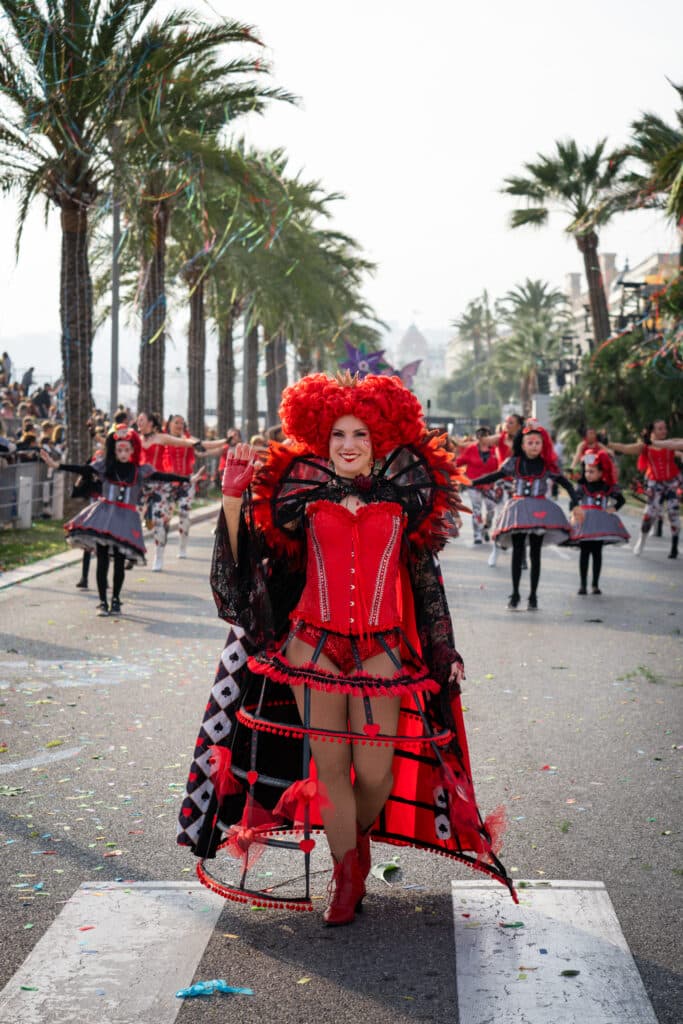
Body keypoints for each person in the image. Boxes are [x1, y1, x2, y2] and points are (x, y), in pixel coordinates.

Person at [177, 373, 516, 926]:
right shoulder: (300, 499)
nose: (349, 444)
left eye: (360, 433)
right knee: (332, 769)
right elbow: (246, 566)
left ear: (378, 440)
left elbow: (426, 584)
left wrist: (442, 648)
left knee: (376, 773)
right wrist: (233, 498)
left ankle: (352, 846)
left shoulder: (406, 501)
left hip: (381, 650)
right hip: (311, 648)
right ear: (323, 440)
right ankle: (347, 875)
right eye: (338, 434)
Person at [40, 427, 191, 615]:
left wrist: (185, 478)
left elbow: (161, 476)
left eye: (127, 450)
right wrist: (57, 465)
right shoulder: (106, 467)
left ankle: (116, 599)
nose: (123, 454)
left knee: (119, 561)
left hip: (126, 519)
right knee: (102, 559)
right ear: (114, 450)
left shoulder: (139, 471)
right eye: (119, 450)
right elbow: (84, 469)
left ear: (133, 450)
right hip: (105, 515)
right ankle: (103, 602)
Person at [475, 420, 576, 610]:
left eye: (537, 443)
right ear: (522, 444)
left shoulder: (547, 466)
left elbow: (566, 484)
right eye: (530, 442)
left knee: (535, 554)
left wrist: (575, 504)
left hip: (539, 510)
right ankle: (515, 594)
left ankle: (533, 596)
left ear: (543, 445)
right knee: (518, 551)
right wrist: (472, 482)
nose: (534, 446)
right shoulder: (514, 463)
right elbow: (495, 476)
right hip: (519, 510)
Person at [610, 421, 681, 559]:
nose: (664, 431)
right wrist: (609, 443)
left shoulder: (669, 444)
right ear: (652, 431)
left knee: (674, 515)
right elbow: (625, 447)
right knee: (649, 515)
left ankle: (674, 546)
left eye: (665, 428)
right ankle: (642, 540)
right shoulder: (645, 446)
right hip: (655, 484)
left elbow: (678, 444)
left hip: (671, 482)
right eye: (660, 429)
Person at [568, 449, 629, 594]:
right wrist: (574, 511)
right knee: (584, 553)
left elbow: (621, 500)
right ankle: (582, 585)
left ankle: (595, 584)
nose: (588, 474)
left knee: (597, 553)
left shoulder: (607, 487)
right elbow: (573, 501)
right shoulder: (582, 486)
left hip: (600, 524)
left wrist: (611, 509)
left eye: (592, 471)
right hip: (584, 523)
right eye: (587, 471)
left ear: (601, 473)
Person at [456, 427, 500, 546]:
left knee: (491, 509)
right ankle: (477, 534)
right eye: (480, 436)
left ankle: (486, 527)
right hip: (474, 485)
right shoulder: (471, 449)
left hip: (490, 486)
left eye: (485, 436)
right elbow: (459, 461)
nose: (482, 439)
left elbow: (502, 466)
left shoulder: (496, 451)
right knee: (476, 509)